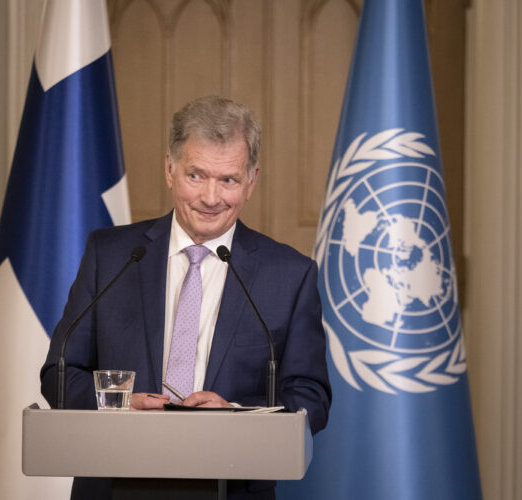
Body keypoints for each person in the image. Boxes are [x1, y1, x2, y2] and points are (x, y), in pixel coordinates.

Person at [41, 95, 331, 499]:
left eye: (228, 179)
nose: (211, 198)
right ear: (169, 170)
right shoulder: (110, 257)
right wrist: (119, 407)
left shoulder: (289, 274)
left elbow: (310, 397)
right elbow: (58, 373)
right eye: (196, 175)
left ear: (252, 181)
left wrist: (235, 416)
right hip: (114, 483)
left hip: (232, 486)